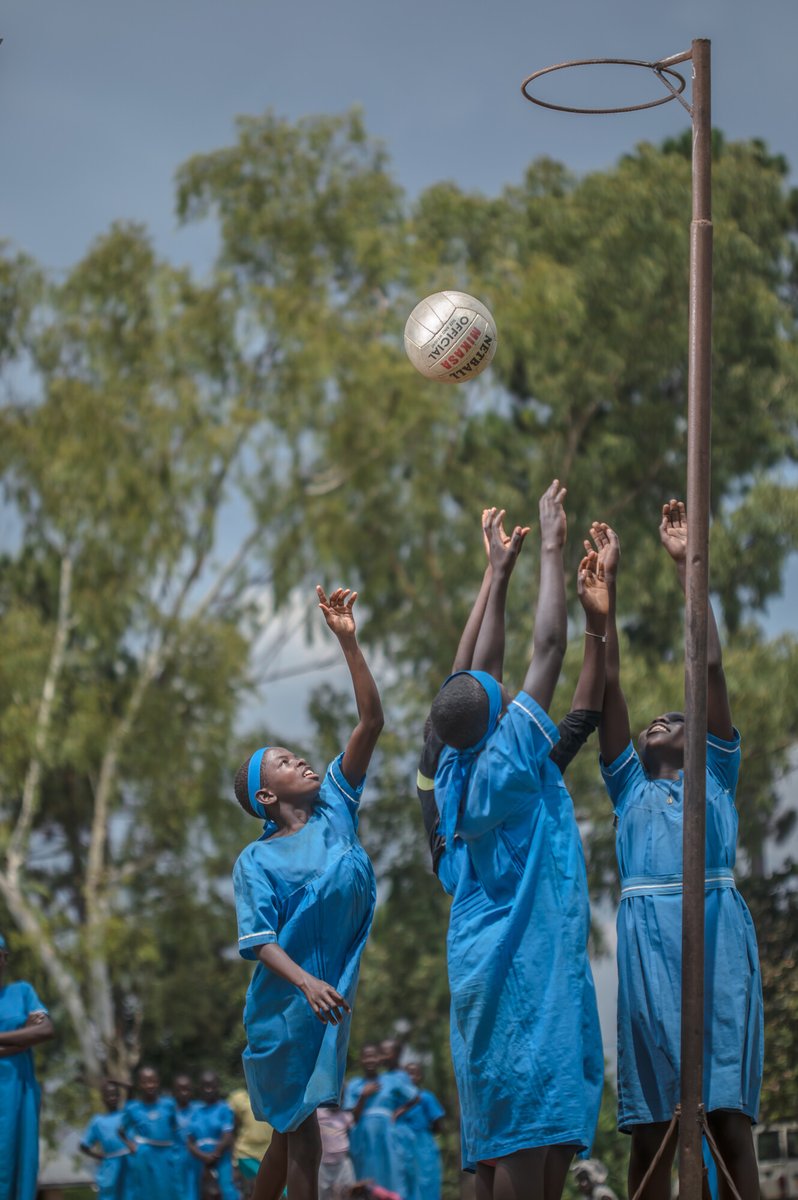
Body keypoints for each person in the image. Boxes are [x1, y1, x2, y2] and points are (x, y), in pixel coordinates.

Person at [427, 485, 605, 1199]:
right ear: (500, 712)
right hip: (524, 973)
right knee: (529, 1148)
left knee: (506, 1149)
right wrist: (552, 549)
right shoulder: (508, 764)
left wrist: (497, 576)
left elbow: (476, 670)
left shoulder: (455, 769)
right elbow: (549, 648)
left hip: (480, 968)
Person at [593, 501, 764, 1200]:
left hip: (717, 931)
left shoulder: (715, 775)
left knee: (728, 1122)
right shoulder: (627, 788)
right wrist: (605, 601)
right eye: (653, 722)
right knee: (652, 1129)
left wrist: (688, 565)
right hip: (649, 943)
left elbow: (710, 665)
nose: (662, 719)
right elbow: (608, 687)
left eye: (676, 716)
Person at [233, 585, 384, 1200]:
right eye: (284, 762)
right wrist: (306, 984)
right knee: (304, 1138)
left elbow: (371, 722)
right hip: (287, 1007)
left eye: (296, 755)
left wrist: (348, 643)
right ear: (266, 796)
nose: (300, 761)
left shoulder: (335, 810)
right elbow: (259, 940)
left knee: (289, 1132)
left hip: (326, 999)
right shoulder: (257, 860)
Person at [0, 933, 55, 1200]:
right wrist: (22, 1037)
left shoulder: (22, 992)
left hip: (20, 1093)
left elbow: (45, 1030)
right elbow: (32, 1034)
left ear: (4, 959)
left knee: (20, 1162)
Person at [345, 1042, 415, 1193]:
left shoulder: (391, 1080)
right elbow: (353, 1118)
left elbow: (414, 1097)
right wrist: (363, 1096)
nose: (370, 1060)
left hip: (387, 1134)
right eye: (366, 1057)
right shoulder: (355, 1085)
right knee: (366, 1174)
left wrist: (397, 1112)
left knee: (392, 1170)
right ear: (361, 1060)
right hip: (363, 1135)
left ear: (379, 1059)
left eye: (373, 1056)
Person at [119, 1065, 179, 1200]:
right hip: (144, 1154)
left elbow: (175, 1127)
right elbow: (120, 1131)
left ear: (158, 1082)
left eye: (152, 1081)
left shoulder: (169, 1104)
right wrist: (131, 1145)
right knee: (146, 1191)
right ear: (139, 1085)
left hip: (166, 1154)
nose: (149, 1085)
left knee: (168, 1190)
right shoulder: (132, 1108)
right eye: (145, 1082)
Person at [395, 1062, 444, 1200]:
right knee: (405, 1181)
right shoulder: (398, 1100)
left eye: (414, 1073)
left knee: (426, 1181)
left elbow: (437, 1124)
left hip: (423, 1145)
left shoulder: (426, 1097)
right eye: (407, 1074)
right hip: (402, 1144)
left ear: (420, 1076)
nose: (411, 1077)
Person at [186, 1071, 238, 1200]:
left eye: (212, 1086)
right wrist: (203, 1157)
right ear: (200, 1088)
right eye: (205, 1086)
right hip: (199, 1159)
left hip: (221, 1158)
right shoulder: (194, 1110)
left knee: (226, 1191)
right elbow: (190, 1141)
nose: (208, 1089)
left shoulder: (224, 1108)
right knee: (197, 1192)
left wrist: (214, 1155)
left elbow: (227, 1135)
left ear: (217, 1086)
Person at [79, 1079, 133, 1200]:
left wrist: (114, 1080)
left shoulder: (126, 1114)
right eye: (108, 1095)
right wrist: (99, 1156)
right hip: (110, 1166)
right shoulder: (98, 1121)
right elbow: (83, 1146)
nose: (112, 1098)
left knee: (130, 1194)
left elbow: (130, 1087)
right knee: (108, 1196)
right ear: (103, 1099)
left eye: (115, 1095)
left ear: (119, 1097)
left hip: (128, 1162)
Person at [229, 1084, 274, 1198]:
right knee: (253, 1191)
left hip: (271, 1153)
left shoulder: (275, 1093)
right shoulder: (238, 1097)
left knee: (275, 1193)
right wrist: (234, 1163)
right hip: (246, 1153)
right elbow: (232, 1129)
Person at [317, 1106, 356, 1200]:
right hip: (323, 1164)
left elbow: (353, 1128)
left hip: (342, 1163)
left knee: (347, 1193)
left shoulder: (345, 1116)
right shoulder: (318, 1114)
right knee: (322, 1195)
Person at [174, 1072, 201, 1196]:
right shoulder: (169, 1112)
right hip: (176, 1159)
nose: (183, 1093)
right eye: (180, 1090)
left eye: (187, 1089)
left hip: (198, 1158)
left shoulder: (199, 1109)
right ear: (174, 1091)